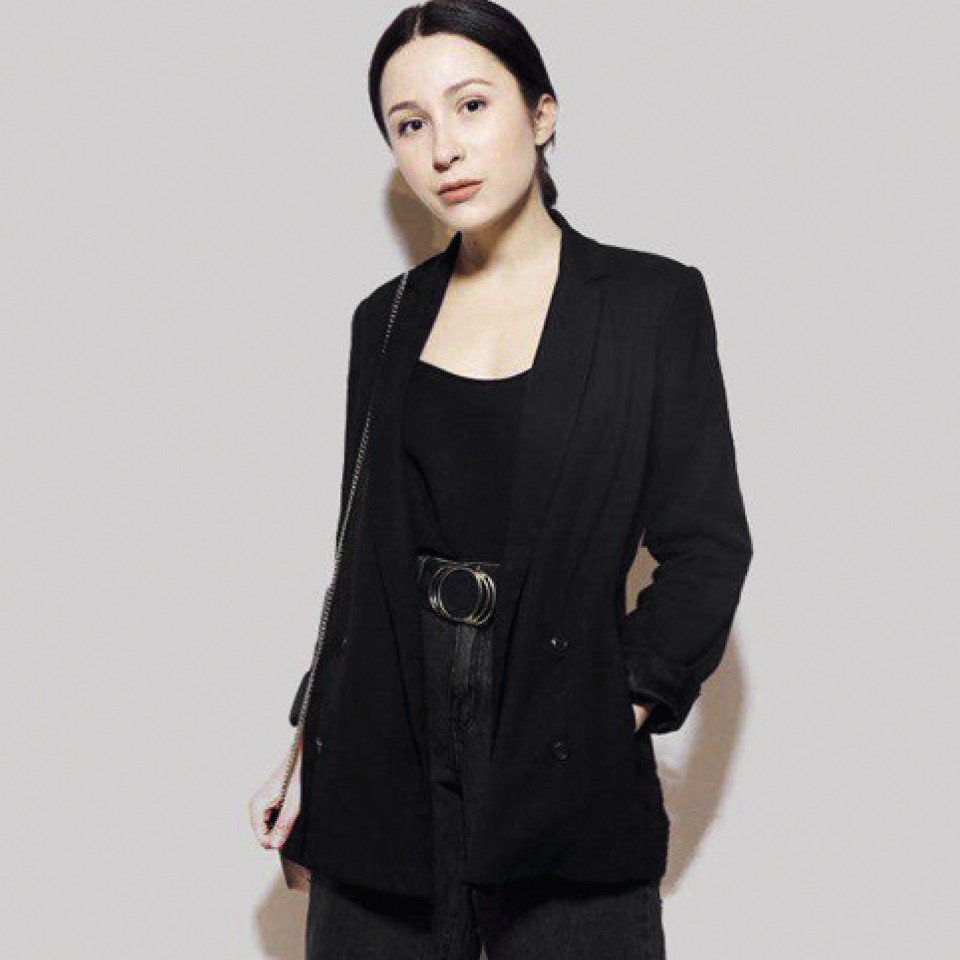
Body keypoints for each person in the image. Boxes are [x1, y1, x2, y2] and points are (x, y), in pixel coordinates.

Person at [249, 2, 753, 957]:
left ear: (542, 113)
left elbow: (708, 546)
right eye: (410, 124)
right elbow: (363, 561)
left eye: (471, 105)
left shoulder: (650, 304)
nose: (443, 147)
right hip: (385, 744)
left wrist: (618, 703)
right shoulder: (384, 318)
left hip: (558, 741)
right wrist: (310, 737)